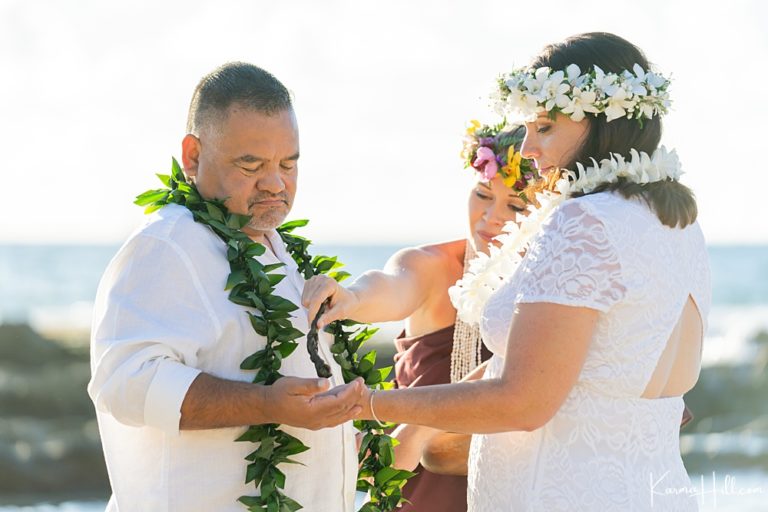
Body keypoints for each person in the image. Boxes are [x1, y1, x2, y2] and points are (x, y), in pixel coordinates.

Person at [305, 32, 710, 511]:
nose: (530, 149)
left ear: (601, 123)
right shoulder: (678, 223)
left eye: (544, 127)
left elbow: (524, 402)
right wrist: (413, 428)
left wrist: (368, 403)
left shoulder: (584, 221)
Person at [87, 62, 363, 512]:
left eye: (288, 163)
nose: (275, 183)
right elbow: (125, 384)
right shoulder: (168, 244)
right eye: (250, 164)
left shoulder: (273, 245)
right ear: (193, 156)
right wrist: (266, 404)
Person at [304, 122, 539, 512]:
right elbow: (393, 285)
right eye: (483, 194)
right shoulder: (431, 267)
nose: (490, 217)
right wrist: (352, 297)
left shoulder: (561, 290)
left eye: (515, 206)